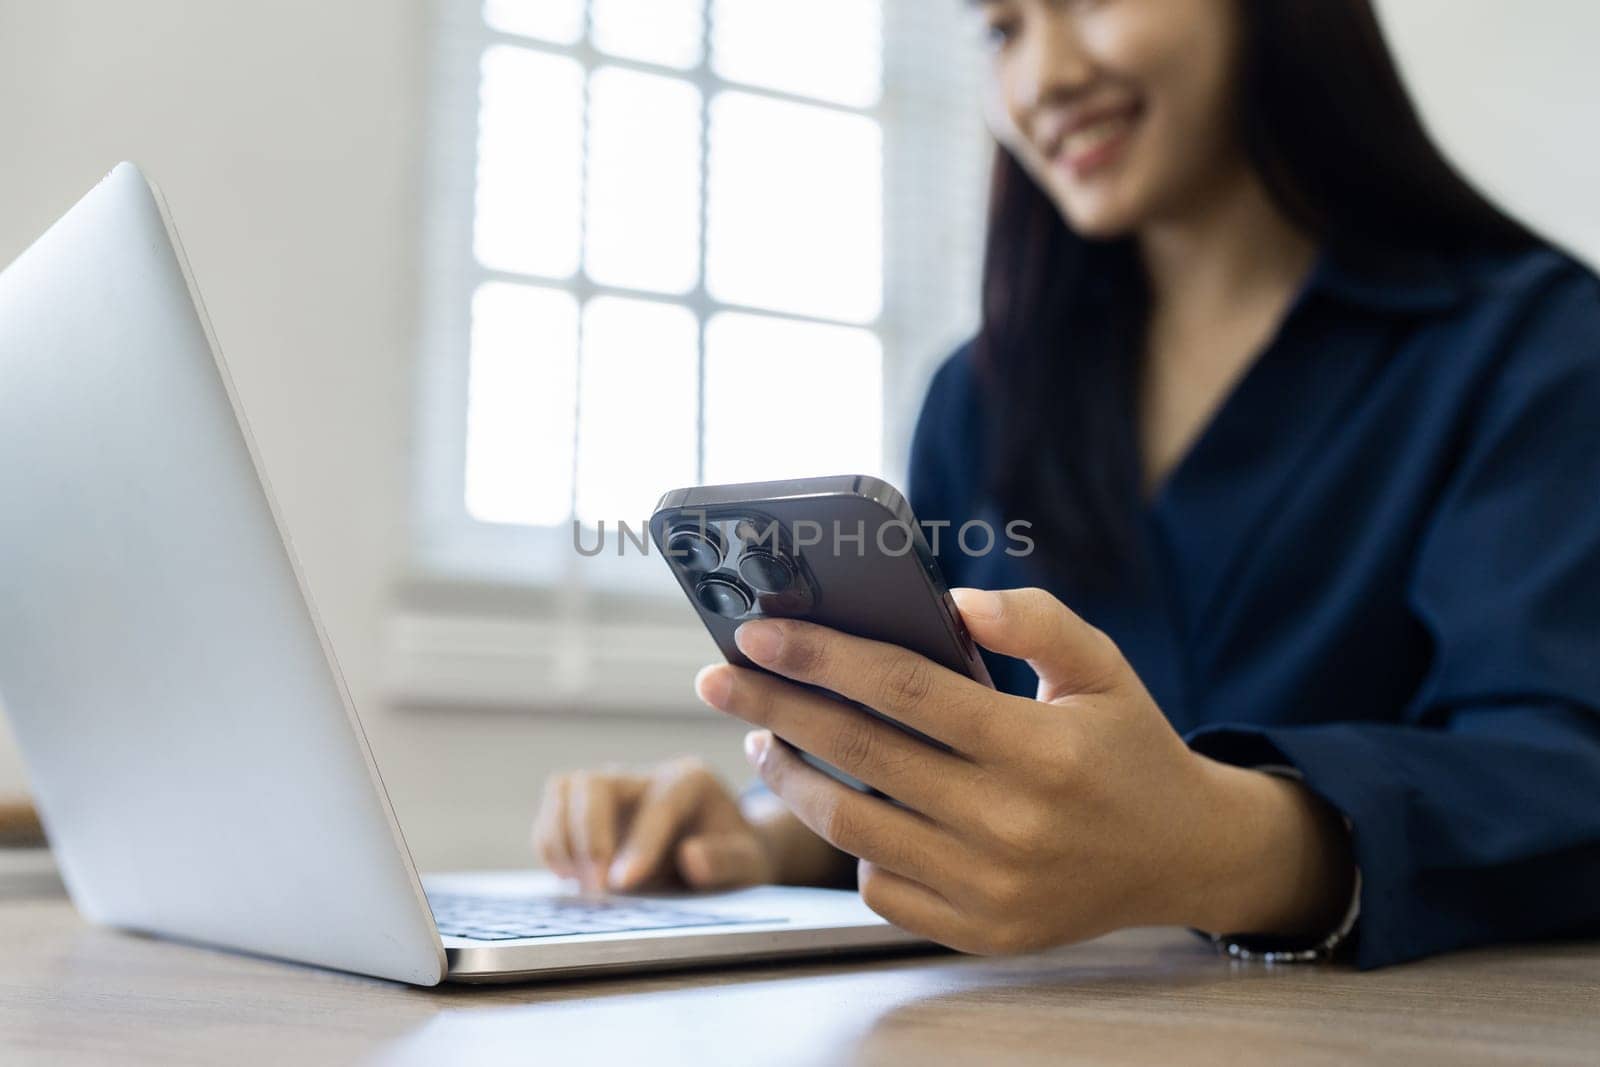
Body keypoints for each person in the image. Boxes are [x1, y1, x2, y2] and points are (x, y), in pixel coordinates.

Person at [532, 0, 1600, 968]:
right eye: (1001, 29)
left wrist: (1214, 845)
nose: (1040, 79)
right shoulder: (980, 394)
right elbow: (956, 760)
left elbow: (1561, 776)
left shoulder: (1537, 345)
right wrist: (769, 834)